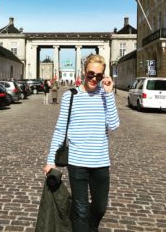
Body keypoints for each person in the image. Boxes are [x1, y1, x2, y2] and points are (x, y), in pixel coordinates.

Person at [44, 54, 120, 232]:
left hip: (100, 162)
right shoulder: (71, 96)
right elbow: (60, 129)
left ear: (103, 77)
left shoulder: (105, 96)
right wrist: (50, 160)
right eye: (91, 74)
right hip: (77, 162)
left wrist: (109, 95)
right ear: (84, 72)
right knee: (80, 209)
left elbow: (114, 125)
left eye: (99, 76)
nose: (94, 79)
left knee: (100, 207)